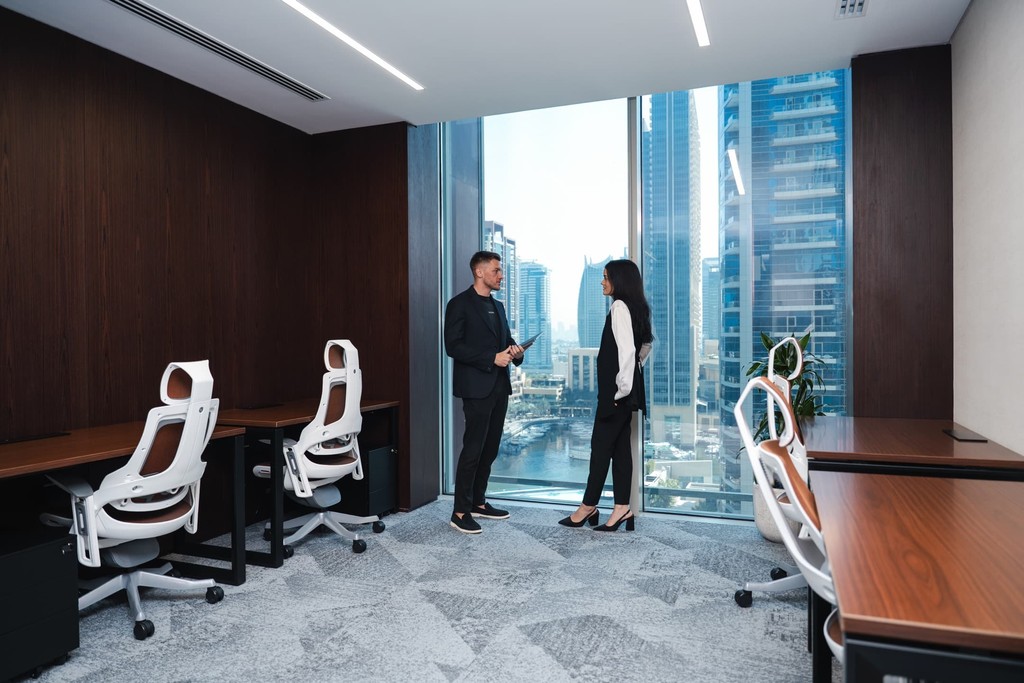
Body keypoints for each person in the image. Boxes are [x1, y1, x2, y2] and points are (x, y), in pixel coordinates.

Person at [559, 259, 652, 532]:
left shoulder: (619, 307)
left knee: (600, 449)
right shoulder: (637, 308)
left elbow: (627, 351)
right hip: (626, 393)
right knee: (621, 450)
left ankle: (588, 506)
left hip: (616, 394)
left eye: (606, 277)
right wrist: (632, 378)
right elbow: (645, 346)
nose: (602, 281)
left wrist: (621, 388)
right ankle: (622, 508)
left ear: (619, 280)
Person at [444, 250, 525, 534]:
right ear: (479, 272)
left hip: (499, 386)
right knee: (473, 449)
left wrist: (516, 352)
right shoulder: (459, 304)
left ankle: (478, 502)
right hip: (475, 387)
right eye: (496, 270)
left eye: (500, 271)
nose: (501, 275)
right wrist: (491, 358)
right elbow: (453, 346)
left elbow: (506, 341)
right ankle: (459, 511)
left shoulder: (498, 306)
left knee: (490, 449)